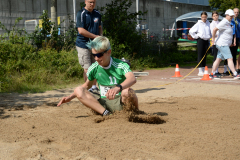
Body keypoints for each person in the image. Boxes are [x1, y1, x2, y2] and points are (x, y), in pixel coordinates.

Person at [57, 36, 139, 116]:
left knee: (127, 92)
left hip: (120, 101)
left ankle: (134, 114)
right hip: (104, 103)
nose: (96, 58)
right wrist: (70, 97)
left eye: (99, 55)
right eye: (94, 55)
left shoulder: (120, 65)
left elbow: (132, 78)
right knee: (78, 90)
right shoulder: (94, 68)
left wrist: (118, 88)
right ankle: (106, 114)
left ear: (109, 52)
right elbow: (86, 85)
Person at [76, 0, 102, 92]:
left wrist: (100, 38)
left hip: (94, 45)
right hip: (83, 45)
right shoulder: (81, 14)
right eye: (90, 2)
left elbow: (99, 27)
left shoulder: (97, 13)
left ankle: (93, 87)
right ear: (85, 1)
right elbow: (81, 31)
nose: (92, 4)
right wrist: (96, 37)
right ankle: (89, 87)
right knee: (87, 68)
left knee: (95, 66)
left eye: (94, 2)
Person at [211, 9, 240, 79]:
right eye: (230, 16)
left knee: (218, 59)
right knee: (230, 58)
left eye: (232, 16)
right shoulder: (223, 22)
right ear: (226, 15)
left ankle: (212, 73)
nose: (231, 17)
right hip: (222, 44)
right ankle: (235, 74)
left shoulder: (228, 22)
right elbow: (214, 29)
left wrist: (230, 43)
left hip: (225, 44)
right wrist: (213, 39)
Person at [189, 12, 211, 76]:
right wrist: (196, 36)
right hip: (200, 40)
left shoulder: (208, 23)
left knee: (205, 55)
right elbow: (191, 31)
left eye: (205, 17)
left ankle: (204, 69)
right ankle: (200, 70)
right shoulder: (198, 23)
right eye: (203, 17)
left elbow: (210, 31)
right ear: (201, 17)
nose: (204, 18)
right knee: (200, 54)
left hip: (206, 40)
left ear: (207, 17)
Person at [223, 8, 240, 76]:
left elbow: (236, 32)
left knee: (234, 54)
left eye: (237, 12)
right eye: (235, 12)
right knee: (227, 54)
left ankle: (233, 70)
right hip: (229, 38)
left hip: (237, 38)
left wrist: (235, 40)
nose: (236, 13)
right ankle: (226, 70)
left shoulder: (238, 21)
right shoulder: (230, 21)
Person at [210, 11, 221, 76]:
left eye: (216, 15)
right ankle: (214, 71)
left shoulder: (220, 23)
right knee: (215, 56)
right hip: (215, 41)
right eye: (214, 16)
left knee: (219, 57)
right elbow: (213, 32)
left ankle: (216, 70)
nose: (215, 17)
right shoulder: (212, 24)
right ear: (212, 17)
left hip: (220, 41)